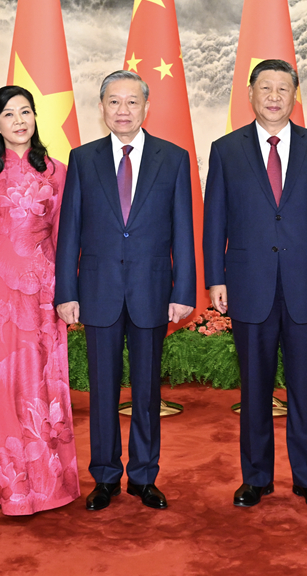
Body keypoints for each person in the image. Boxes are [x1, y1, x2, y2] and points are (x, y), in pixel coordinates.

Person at [203, 59, 307, 510]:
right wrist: (215, 278)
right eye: (265, 87)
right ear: (250, 94)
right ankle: (256, 478)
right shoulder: (226, 150)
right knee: (254, 388)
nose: (273, 96)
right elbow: (214, 220)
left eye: (282, 88)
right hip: (249, 283)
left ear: (294, 95)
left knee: (305, 386)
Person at [54, 70, 195, 511]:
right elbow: (69, 231)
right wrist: (66, 291)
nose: (123, 110)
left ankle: (144, 476)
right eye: (114, 101)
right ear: (101, 107)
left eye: (132, 102)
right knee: (102, 391)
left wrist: (184, 290)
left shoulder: (173, 158)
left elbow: (183, 230)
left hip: (151, 291)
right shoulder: (83, 159)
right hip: (98, 292)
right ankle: (105, 476)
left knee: (147, 391)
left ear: (146, 107)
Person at [0, 85, 80, 516]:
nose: (19, 121)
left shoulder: (57, 172)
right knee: (1, 380)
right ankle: (12, 489)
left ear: (34, 117)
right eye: (8, 114)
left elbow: (66, 237)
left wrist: (68, 290)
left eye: (25, 111)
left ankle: (50, 484)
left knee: (45, 380)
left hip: (44, 288)